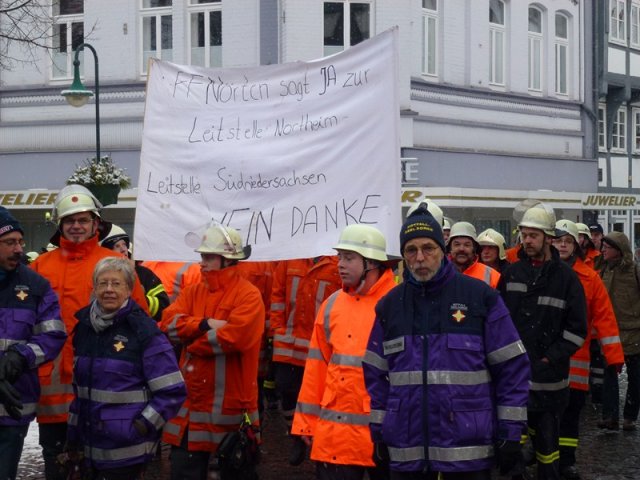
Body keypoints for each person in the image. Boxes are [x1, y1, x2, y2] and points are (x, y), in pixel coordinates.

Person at [363, 206, 530, 479]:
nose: (420, 258)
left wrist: (510, 431)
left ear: (443, 251)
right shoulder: (390, 307)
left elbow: (512, 366)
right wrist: (380, 433)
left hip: (468, 451)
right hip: (408, 449)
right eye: (411, 250)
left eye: (428, 248)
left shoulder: (480, 298)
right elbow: (375, 376)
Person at [30, 184, 150, 480]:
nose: (77, 227)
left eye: (83, 220)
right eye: (70, 221)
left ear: (96, 224)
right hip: (53, 392)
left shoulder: (116, 265)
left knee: (103, 463)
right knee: (55, 460)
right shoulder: (39, 267)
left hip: (106, 387)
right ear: (59, 225)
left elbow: (141, 317)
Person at [292, 224, 397, 480]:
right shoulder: (332, 305)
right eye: (340, 257)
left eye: (349, 258)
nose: (340, 264)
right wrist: (305, 423)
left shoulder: (397, 304)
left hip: (383, 439)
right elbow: (317, 368)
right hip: (336, 438)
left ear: (371, 263)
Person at [160, 224, 265, 480]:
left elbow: (234, 338)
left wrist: (192, 344)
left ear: (227, 260)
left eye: (208, 257)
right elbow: (167, 324)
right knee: (184, 472)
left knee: (234, 473)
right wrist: (204, 324)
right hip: (190, 410)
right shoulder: (193, 291)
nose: (202, 263)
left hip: (230, 411)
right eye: (202, 256)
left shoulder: (248, 296)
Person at [66, 257, 186, 479]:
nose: (109, 290)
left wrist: (142, 426)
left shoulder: (144, 331)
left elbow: (172, 391)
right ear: (94, 288)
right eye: (103, 283)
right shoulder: (84, 328)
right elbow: (80, 391)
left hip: (127, 452)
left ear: (130, 290)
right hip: (89, 450)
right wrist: (72, 438)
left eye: (116, 283)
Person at [498, 204, 587, 480]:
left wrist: (550, 357)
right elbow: (498, 322)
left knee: (548, 450)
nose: (527, 240)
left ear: (549, 238)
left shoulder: (566, 279)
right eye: (524, 234)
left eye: (533, 235)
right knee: (512, 451)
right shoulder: (512, 274)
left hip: (550, 381)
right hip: (515, 379)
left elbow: (577, 329)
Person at [552, 220, 623, 480]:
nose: (562, 244)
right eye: (558, 239)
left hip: (577, 361)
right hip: (546, 360)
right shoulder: (541, 272)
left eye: (568, 240)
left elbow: (604, 317)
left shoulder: (589, 277)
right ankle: (544, 457)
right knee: (545, 415)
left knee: (570, 415)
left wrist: (614, 357)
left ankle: (567, 461)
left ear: (577, 245)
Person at [0, 207, 66, 480]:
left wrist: (20, 356)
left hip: (14, 406)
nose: (19, 249)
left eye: (20, 241)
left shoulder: (36, 285)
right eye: (9, 243)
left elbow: (52, 335)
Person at [272, 255, 341, 466]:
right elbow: (277, 296)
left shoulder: (336, 265)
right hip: (288, 342)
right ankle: (295, 434)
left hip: (317, 344)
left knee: (315, 395)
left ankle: (311, 435)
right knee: (285, 389)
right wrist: (275, 329)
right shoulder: (290, 258)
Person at [598, 231, 640, 431]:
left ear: (619, 250)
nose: (603, 250)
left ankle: (630, 417)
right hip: (609, 333)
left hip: (634, 333)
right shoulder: (603, 269)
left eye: (607, 247)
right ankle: (610, 416)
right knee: (609, 376)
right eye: (603, 246)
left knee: (635, 378)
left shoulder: (634, 271)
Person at [100, 223, 170, 321]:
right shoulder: (99, 275)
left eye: (124, 244)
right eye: (117, 246)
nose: (123, 249)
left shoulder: (143, 273)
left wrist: (140, 297)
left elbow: (164, 306)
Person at [447, 221, 500, 288]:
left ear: (474, 249)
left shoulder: (493, 276)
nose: (461, 249)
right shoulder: (439, 273)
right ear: (450, 249)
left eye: (467, 245)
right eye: (457, 244)